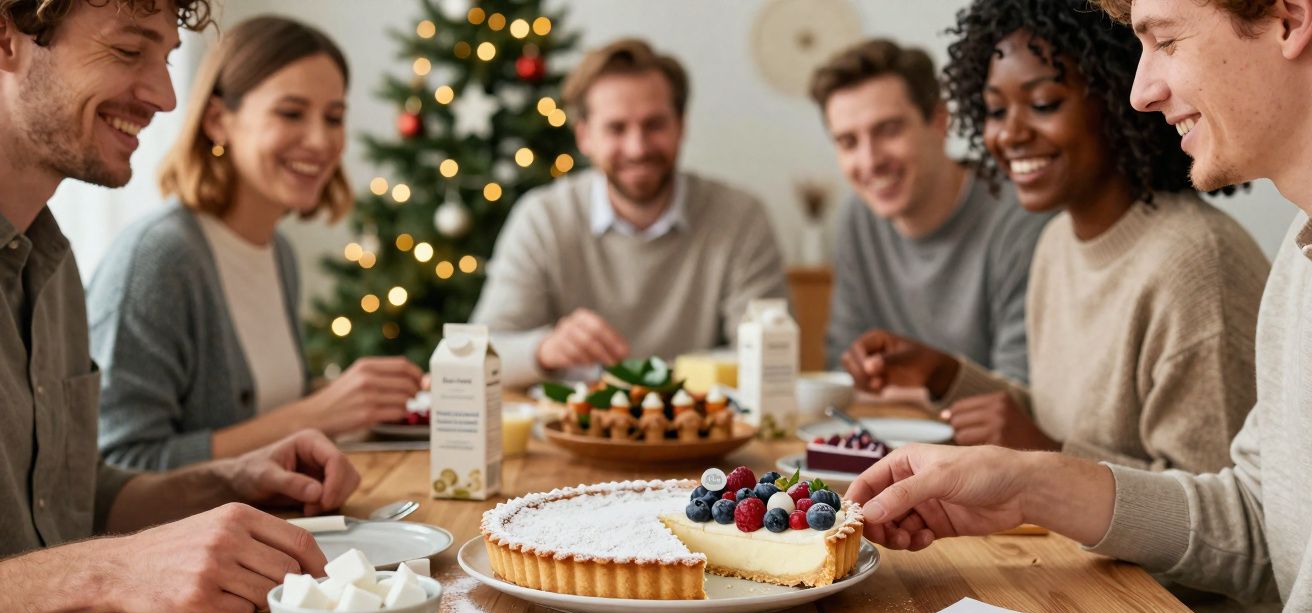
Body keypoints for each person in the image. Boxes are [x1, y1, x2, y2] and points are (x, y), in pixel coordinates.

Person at [849, 0, 1312, 613]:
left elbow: (1244, 568)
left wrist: (1040, 462)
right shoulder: (1298, 259)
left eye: (1166, 41)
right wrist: (1026, 484)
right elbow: (1257, 518)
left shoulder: (1199, 261)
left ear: (1289, 18)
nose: (1142, 90)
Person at [0, 0, 359, 613]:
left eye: (166, 59)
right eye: (128, 50)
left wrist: (233, 480)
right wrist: (111, 570)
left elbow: (71, 498)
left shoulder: (51, 266)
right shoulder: (156, 253)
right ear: (7, 38)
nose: (166, 98)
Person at [847, 0, 1268, 478]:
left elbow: (1217, 502)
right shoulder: (1055, 243)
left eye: (1044, 104)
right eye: (995, 110)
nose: (1009, 134)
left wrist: (1044, 451)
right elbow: (1056, 422)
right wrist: (944, 375)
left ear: (1117, 98)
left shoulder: (1196, 265)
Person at [86, 16, 423, 471]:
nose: (321, 141)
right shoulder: (159, 258)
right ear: (217, 121)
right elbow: (122, 465)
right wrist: (314, 415)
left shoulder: (278, 253)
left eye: (334, 117)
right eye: (291, 113)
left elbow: (266, 412)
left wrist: (355, 401)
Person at [470, 38, 788, 388]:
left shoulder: (740, 218)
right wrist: (544, 350)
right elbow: (480, 354)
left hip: (700, 419)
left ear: (681, 126)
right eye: (616, 128)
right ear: (584, 137)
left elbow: (771, 356)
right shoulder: (544, 219)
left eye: (654, 125)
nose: (637, 148)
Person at [812, 39, 1051, 383]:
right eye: (848, 142)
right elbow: (843, 365)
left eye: (888, 130)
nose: (870, 161)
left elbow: (1019, 389)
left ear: (940, 121)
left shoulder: (1019, 214)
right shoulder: (858, 217)